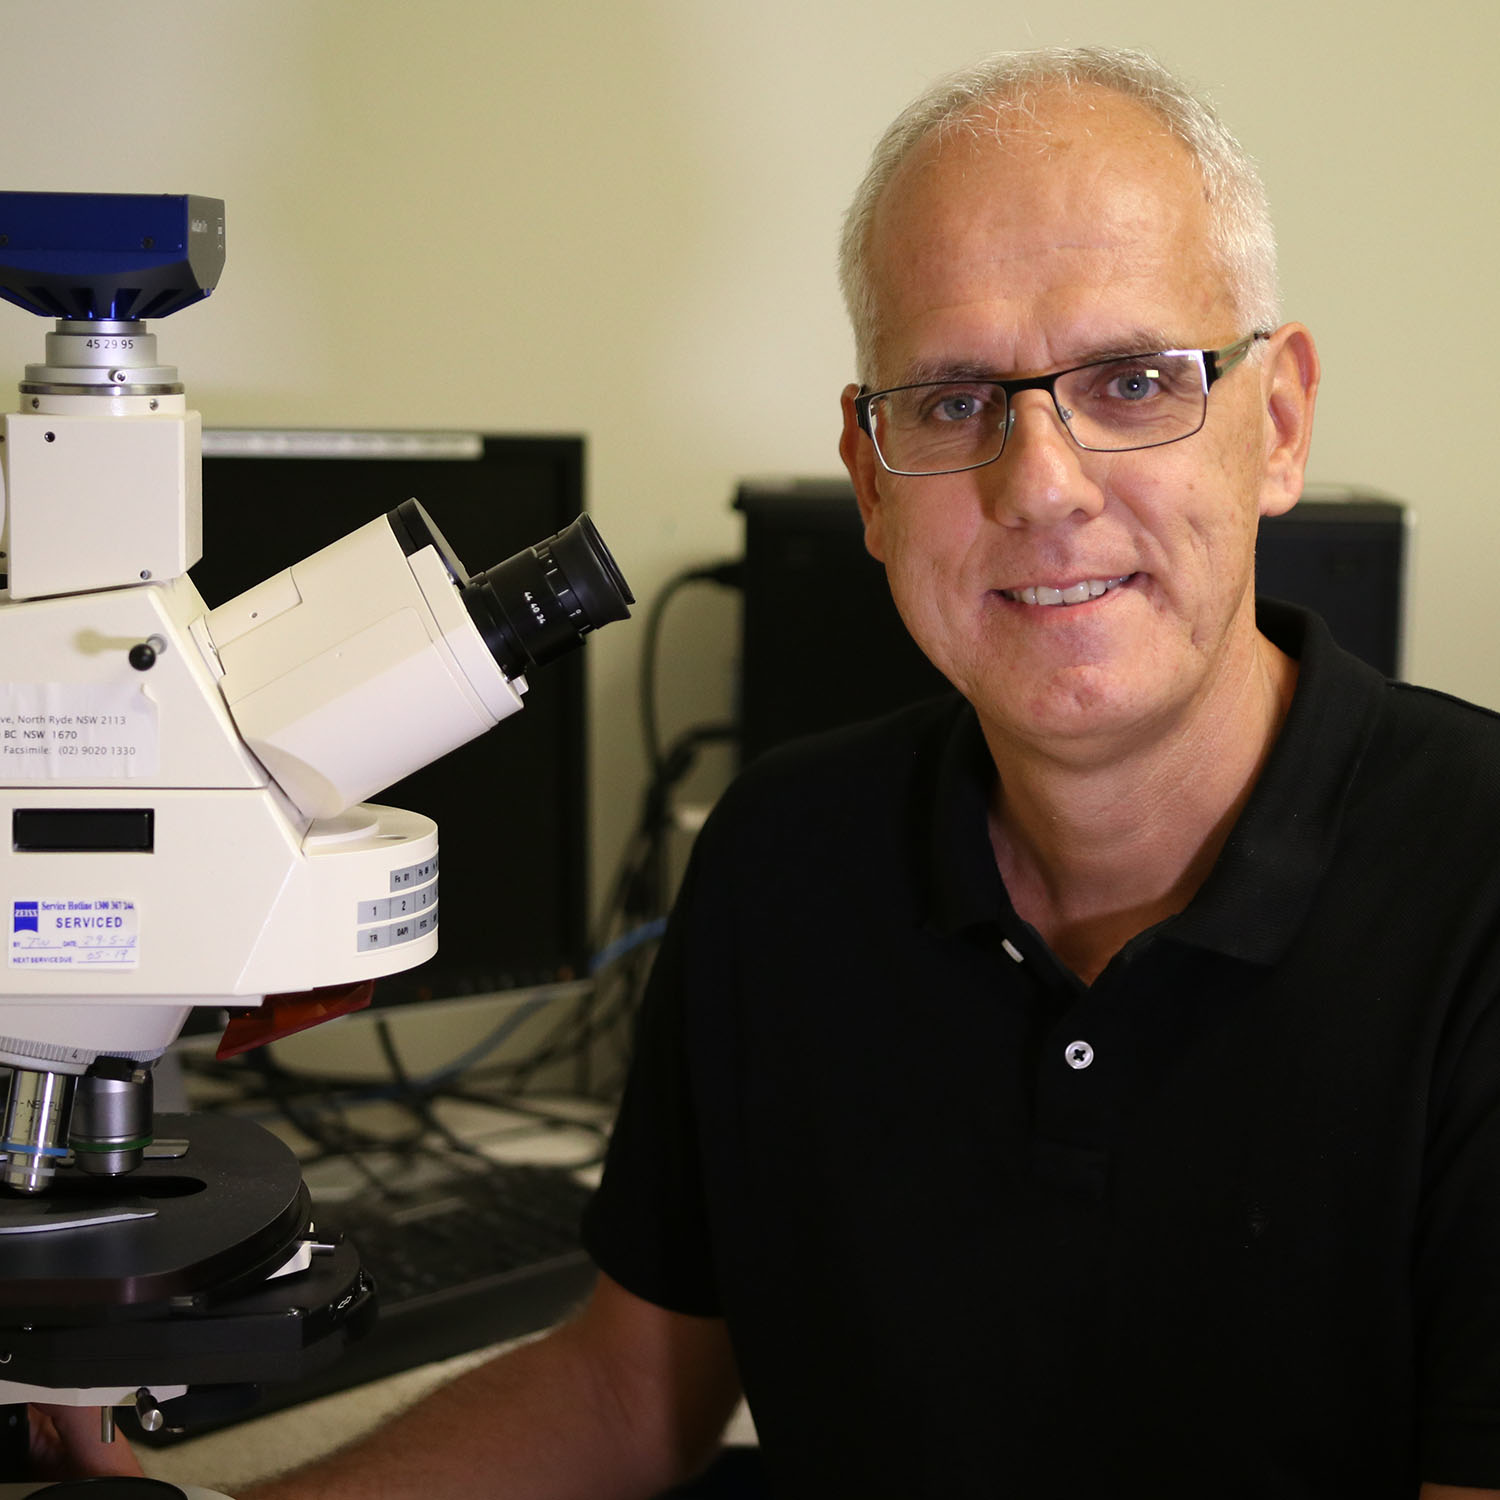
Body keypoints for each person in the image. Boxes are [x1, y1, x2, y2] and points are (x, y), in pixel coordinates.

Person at [41, 43, 1500, 1500]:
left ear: (1279, 424)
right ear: (869, 478)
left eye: (1131, 381)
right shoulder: (787, 856)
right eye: (954, 401)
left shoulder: (1476, 880)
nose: (1042, 483)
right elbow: (629, 1389)